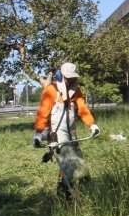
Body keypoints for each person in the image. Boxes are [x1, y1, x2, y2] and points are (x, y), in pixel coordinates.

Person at [33, 62, 101, 198]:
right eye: (68, 78)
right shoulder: (51, 90)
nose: (70, 80)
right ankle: (66, 194)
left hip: (72, 132)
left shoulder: (76, 91)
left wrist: (92, 125)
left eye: (72, 78)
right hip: (57, 133)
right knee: (69, 161)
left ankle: (84, 189)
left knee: (78, 160)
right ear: (60, 76)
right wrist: (39, 134)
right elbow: (43, 113)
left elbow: (82, 108)